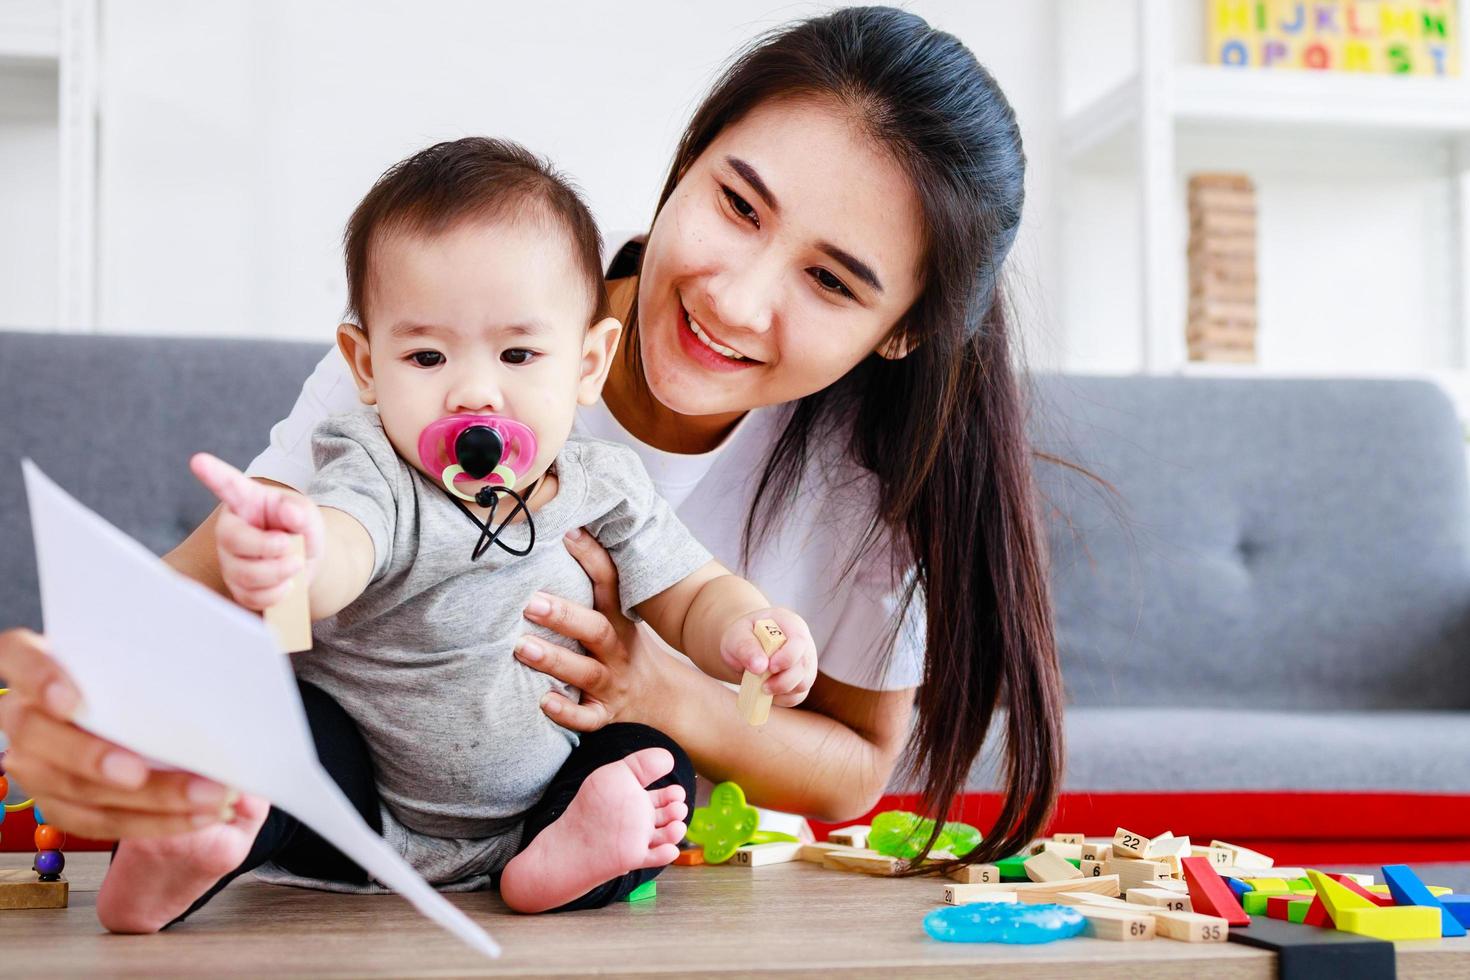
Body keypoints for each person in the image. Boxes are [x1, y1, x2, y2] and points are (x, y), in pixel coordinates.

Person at [0, 6, 1063, 875]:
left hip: (577, 856)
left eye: (831, 281)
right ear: (688, 160)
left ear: (905, 330)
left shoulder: (870, 489)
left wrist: (659, 688)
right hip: (350, 820)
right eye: (737, 205)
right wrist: (67, 698)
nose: (735, 299)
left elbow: (853, 768)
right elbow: (207, 590)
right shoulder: (462, 325)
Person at [93, 137, 820, 931]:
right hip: (355, 809)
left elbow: (694, 595)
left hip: (538, 805)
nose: (475, 391)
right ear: (366, 366)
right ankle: (187, 849)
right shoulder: (373, 463)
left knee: (650, 763)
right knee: (277, 723)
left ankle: (565, 858)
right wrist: (295, 553)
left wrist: (752, 632)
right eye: (428, 355)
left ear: (587, 363)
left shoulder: (604, 487)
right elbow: (344, 547)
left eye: (517, 353)